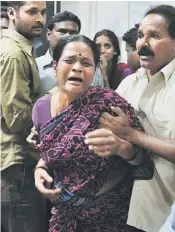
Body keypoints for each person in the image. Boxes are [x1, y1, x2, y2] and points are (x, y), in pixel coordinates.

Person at [33, 34, 151, 232]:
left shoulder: (109, 104)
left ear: (94, 71)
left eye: (86, 63)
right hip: (63, 215)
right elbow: (49, 152)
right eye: (69, 61)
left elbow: (144, 163)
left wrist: (122, 147)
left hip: (110, 216)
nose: (77, 67)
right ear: (55, 67)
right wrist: (40, 169)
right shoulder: (41, 108)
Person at [97, 4, 175, 232]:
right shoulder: (130, 83)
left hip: (164, 213)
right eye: (141, 36)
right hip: (122, 210)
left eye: (154, 36)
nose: (143, 44)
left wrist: (132, 134)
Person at [1, 1, 47, 232]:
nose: (39, 18)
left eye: (43, 12)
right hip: (16, 164)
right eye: (32, 12)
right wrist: (51, 100)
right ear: (12, 13)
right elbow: (18, 119)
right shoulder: (13, 55)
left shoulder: (20, 49)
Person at [36, 11, 81, 93]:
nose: (68, 36)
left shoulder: (85, 68)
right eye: (62, 31)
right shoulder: (35, 66)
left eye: (73, 33)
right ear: (49, 35)